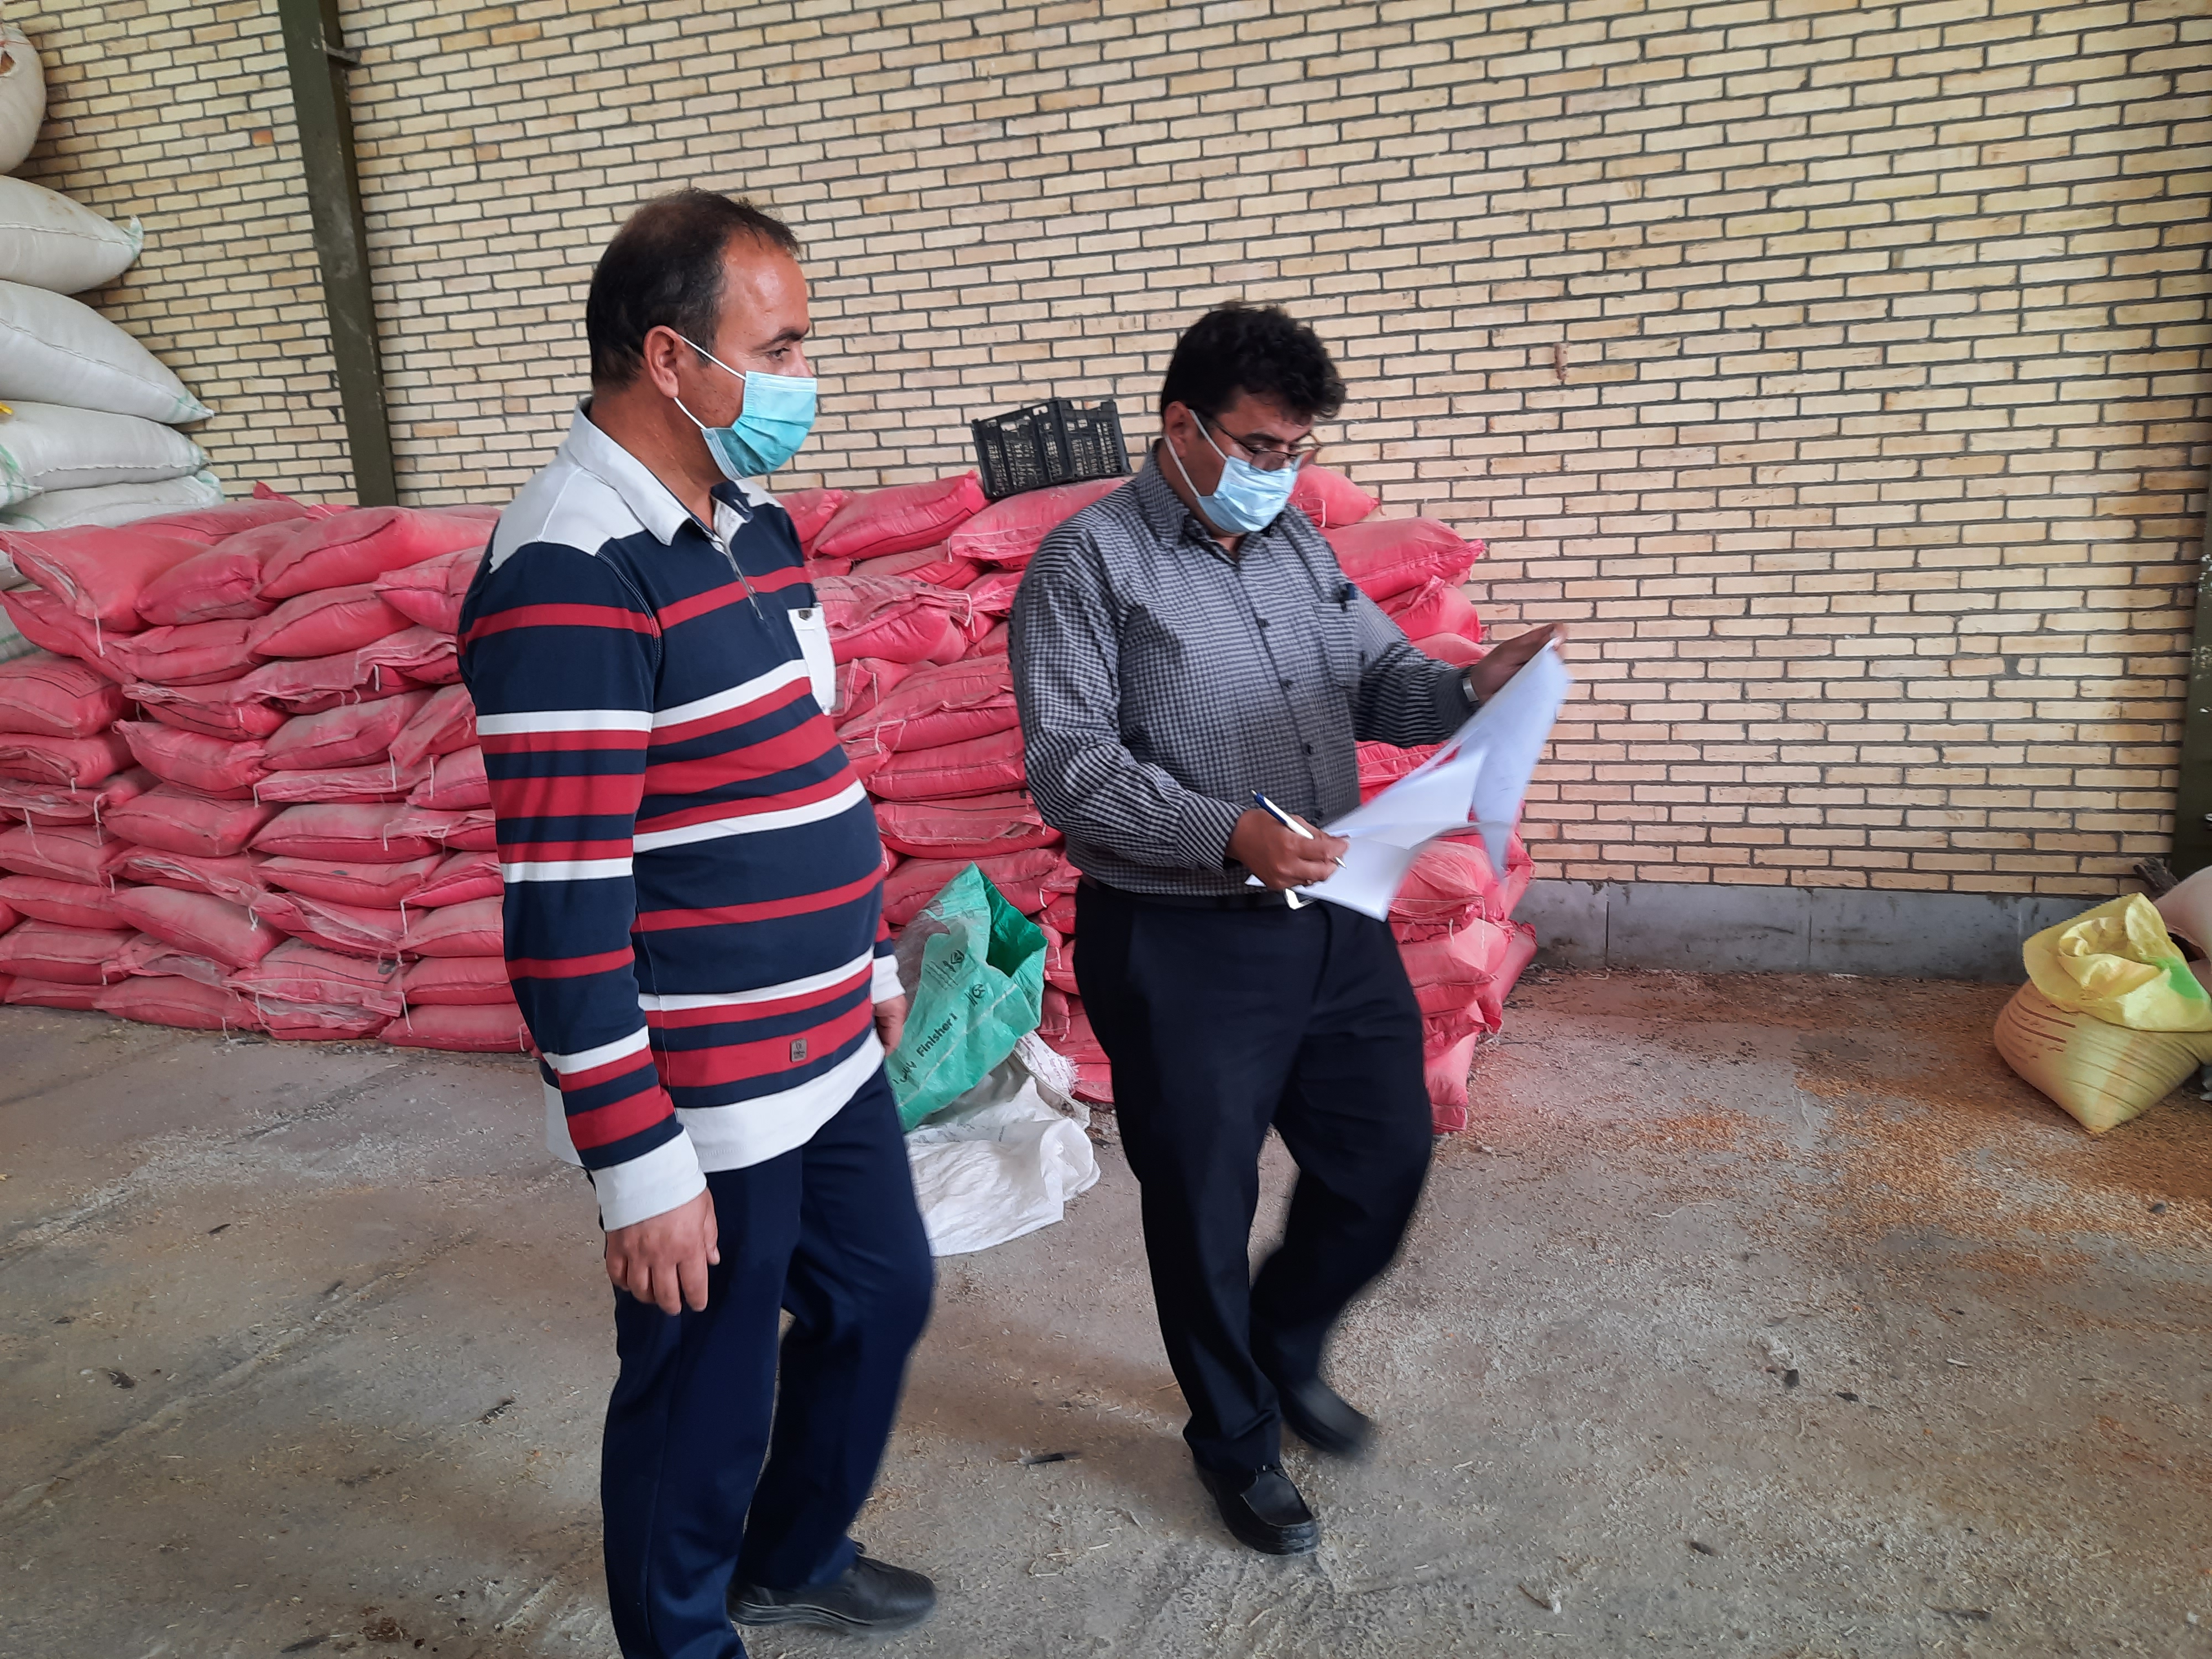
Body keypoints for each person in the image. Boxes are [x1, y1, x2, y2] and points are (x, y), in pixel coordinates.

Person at [458, 190, 936, 1657]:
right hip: (708, 1086)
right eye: (777, 350)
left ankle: (787, 1556)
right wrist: (635, 1162)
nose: (803, 380)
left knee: (880, 1295)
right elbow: (561, 902)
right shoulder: (570, 569)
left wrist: (866, 953)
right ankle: (680, 1637)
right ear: (670, 359)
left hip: (827, 1039)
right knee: (702, 1389)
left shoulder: (750, 522)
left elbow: (807, 760)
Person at [1010, 301, 1559, 1556]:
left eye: (1295, 451)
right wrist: (1225, 832)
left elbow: (1380, 682)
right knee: (1202, 1206)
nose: (1279, 472)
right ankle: (1235, 1438)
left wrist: (1471, 684)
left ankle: (1286, 1341)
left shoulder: (1298, 549)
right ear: (1181, 426)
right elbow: (1070, 766)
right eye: (1258, 447)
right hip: (1180, 938)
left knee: (1383, 1158)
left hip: (1330, 912)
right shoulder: (1087, 566)